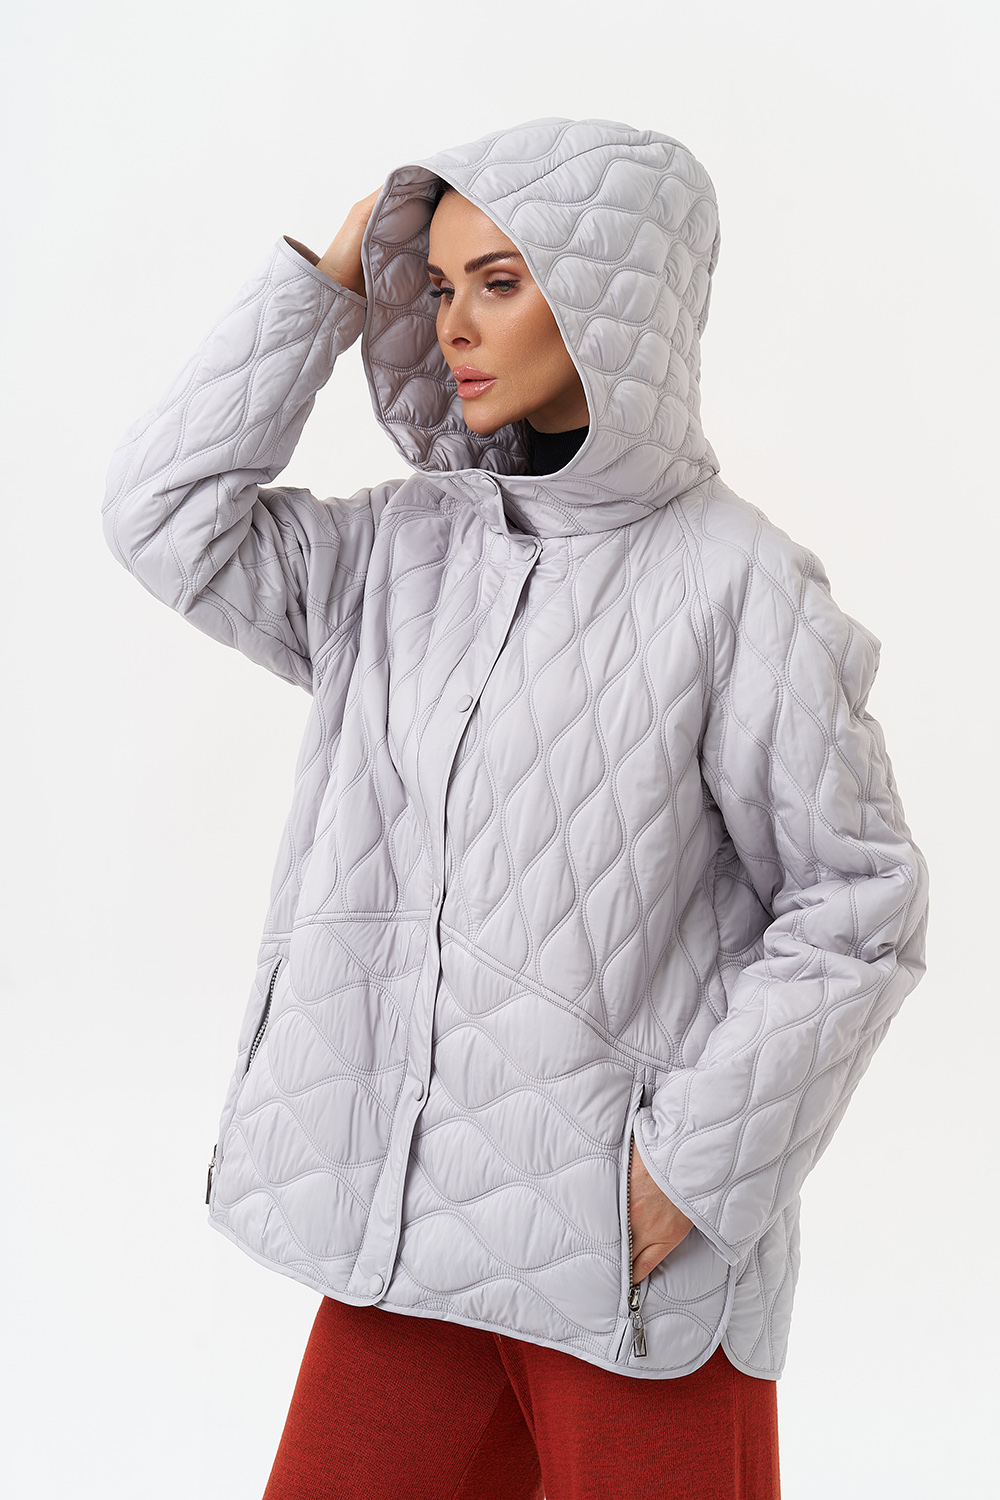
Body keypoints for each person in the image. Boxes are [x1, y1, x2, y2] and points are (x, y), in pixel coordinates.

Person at [102, 117, 930, 1499]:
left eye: (499, 281)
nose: (453, 325)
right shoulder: (397, 552)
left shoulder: (738, 584)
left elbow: (861, 902)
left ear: (611, 293)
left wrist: (693, 1169)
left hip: (626, 1266)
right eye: (435, 285)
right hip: (403, 1233)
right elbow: (162, 513)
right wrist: (326, 279)